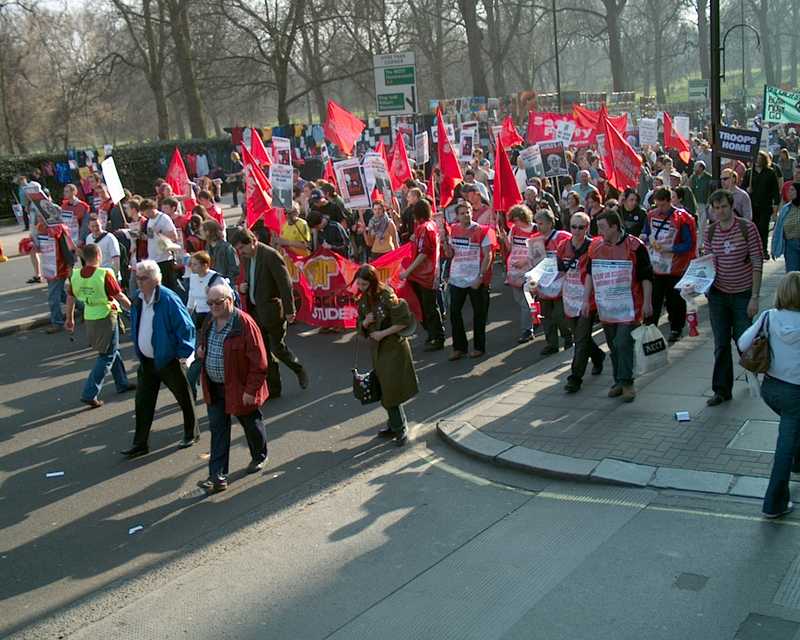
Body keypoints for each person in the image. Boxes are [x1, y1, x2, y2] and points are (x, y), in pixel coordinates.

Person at [196, 282, 270, 493]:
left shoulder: (245, 324)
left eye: (218, 303)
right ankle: (217, 476)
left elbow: (260, 362)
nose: (213, 307)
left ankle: (259, 455)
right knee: (218, 430)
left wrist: (251, 390)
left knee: (250, 423)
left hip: (240, 388)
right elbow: (204, 340)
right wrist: (202, 349)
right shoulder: (210, 320)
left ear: (230, 301)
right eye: (210, 303)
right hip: (215, 386)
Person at [738, 272, 800, 519]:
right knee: (785, 444)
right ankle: (774, 503)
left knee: (793, 429)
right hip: (796, 394)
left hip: (771, 390)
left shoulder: (768, 317)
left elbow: (743, 344)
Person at [123, 260, 198, 458]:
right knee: (143, 402)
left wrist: (183, 354)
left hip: (168, 359)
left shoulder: (168, 298)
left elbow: (187, 327)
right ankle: (140, 443)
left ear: (156, 279)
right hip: (147, 361)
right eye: (137, 278)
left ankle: (192, 433)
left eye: (143, 278)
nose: (139, 282)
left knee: (184, 398)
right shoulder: (139, 299)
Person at [583, 210, 654, 402]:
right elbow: (590, 274)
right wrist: (585, 299)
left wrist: (648, 302)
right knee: (613, 345)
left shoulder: (635, 246)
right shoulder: (595, 247)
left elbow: (646, 277)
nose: (600, 231)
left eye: (603, 227)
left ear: (615, 227)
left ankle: (627, 382)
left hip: (630, 306)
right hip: (607, 307)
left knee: (623, 342)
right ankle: (618, 381)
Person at [703, 189, 763, 406]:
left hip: (742, 294)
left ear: (731, 206)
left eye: (723, 207)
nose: (720, 211)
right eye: (716, 208)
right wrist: (698, 283)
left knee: (744, 341)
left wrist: (754, 297)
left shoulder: (747, 228)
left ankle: (753, 374)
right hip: (718, 295)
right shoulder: (710, 232)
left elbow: (757, 262)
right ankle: (721, 390)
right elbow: (707, 264)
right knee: (720, 343)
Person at [232, 228, 308, 398]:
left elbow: (284, 284)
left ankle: (299, 369)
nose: (241, 252)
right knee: (264, 353)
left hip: (273, 311)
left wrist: (290, 310)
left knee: (277, 348)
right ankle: (274, 389)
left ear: (252, 241)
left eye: (242, 248)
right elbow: (250, 280)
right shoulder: (246, 258)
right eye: (239, 249)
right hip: (255, 311)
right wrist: (242, 288)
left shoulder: (270, 255)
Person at [64, 243, 134, 408]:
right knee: (107, 355)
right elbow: (119, 295)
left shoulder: (75, 275)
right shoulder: (104, 274)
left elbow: (70, 298)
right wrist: (134, 308)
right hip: (106, 315)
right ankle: (90, 392)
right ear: (98, 255)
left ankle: (122, 382)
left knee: (112, 350)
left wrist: (70, 318)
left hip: (90, 315)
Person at [355, 264, 418, 446]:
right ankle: (393, 424)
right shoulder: (364, 300)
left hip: (393, 348)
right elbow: (359, 328)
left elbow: (403, 321)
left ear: (373, 282)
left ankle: (400, 427)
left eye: (364, 284)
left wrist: (383, 333)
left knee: (391, 390)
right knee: (384, 388)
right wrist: (365, 324)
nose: (361, 288)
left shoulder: (387, 296)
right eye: (359, 284)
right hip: (378, 350)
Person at [557, 212, 605, 393]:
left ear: (587, 227)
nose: (576, 231)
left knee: (580, 340)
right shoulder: (563, 246)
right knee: (581, 337)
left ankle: (575, 378)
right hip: (569, 298)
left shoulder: (594, 246)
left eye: (581, 227)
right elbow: (559, 271)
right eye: (573, 227)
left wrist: (588, 299)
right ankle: (598, 355)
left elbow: (595, 274)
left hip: (588, 300)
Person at [642, 187, 697, 343]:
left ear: (669, 201)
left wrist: (670, 248)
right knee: (654, 299)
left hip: (675, 267)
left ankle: (676, 328)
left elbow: (688, 244)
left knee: (675, 300)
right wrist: (645, 238)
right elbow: (646, 232)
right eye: (657, 205)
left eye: (663, 205)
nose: (660, 209)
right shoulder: (651, 215)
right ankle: (650, 328)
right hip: (656, 266)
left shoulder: (682, 218)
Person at [444, 200, 494, 360]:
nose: (466, 215)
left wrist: (480, 276)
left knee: (479, 313)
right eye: (462, 213)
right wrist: (445, 244)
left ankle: (479, 347)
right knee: (454, 312)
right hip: (457, 278)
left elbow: (488, 255)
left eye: (468, 212)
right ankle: (459, 348)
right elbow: (450, 254)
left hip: (475, 279)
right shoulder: (453, 230)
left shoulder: (482, 230)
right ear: (457, 216)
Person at [400, 199, 445, 351]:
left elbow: (424, 253)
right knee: (426, 307)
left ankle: (437, 337)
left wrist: (408, 271)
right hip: (426, 274)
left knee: (429, 308)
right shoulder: (428, 226)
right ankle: (433, 335)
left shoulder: (425, 228)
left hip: (424, 275)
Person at [500, 204, 542, 344]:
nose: (515, 223)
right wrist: (504, 239)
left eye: (516, 220)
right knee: (521, 300)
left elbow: (539, 253)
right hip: (514, 271)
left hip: (529, 271)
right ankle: (535, 317)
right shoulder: (514, 229)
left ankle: (527, 330)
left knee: (525, 301)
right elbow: (510, 247)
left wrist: (525, 261)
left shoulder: (536, 229)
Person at [534, 208, 572, 353]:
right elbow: (534, 261)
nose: (538, 226)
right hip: (544, 284)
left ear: (550, 223)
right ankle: (552, 344)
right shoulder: (535, 240)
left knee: (560, 315)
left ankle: (568, 338)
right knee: (546, 316)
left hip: (560, 283)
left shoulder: (562, 236)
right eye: (537, 223)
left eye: (541, 223)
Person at [743, 151, 781, 255]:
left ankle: (763, 249)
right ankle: (753, 249)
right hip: (752, 205)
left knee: (763, 228)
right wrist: (747, 189)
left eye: (760, 159)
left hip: (765, 205)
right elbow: (742, 188)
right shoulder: (748, 173)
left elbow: (775, 191)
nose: (758, 161)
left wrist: (776, 206)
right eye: (756, 158)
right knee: (753, 228)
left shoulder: (770, 173)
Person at [140, 198, 181, 292]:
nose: (144, 215)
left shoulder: (164, 218)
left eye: (145, 212)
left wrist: (160, 232)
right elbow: (150, 238)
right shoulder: (149, 221)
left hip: (165, 258)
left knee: (169, 286)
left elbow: (174, 236)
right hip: (153, 257)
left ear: (151, 209)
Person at [772, 182, 800, 272]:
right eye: (789, 190)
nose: (789, 192)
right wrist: (774, 248)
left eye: (792, 190)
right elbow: (778, 229)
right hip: (791, 245)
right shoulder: (785, 209)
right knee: (792, 274)